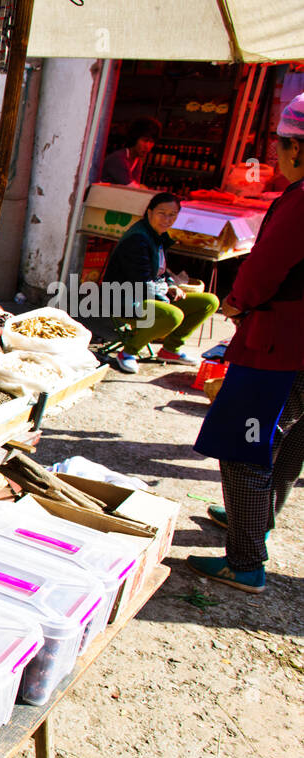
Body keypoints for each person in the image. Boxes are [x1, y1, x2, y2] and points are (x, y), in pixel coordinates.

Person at [187, 93, 304, 593]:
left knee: (245, 442)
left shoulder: (301, 200)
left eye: (280, 144)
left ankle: (245, 560)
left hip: (282, 345)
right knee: (289, 439)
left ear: (296, 147)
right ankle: (252, 518)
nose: (276, 154)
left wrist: (234, 303)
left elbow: (264, 268)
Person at [101, 191, 219, 372]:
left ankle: (171, 349)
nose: (167, 219)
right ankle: (128, 352)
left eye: (172, 215)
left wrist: (171, 286)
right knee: (172, 314)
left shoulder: (157, 235)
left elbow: (161, 271)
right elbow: (141, 282)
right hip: (124, 298)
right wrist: (165, 298)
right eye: (161, 213)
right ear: (150, 212)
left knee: (209, 302)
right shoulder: (138, 239)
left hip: (149, 294)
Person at [100, 117, 161, 186]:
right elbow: (132, 188)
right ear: (135, 138)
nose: (147, 146)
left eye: (151, 142)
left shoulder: (137, 161)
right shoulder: (118, 158)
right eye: (145, 140)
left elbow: (135, 186)